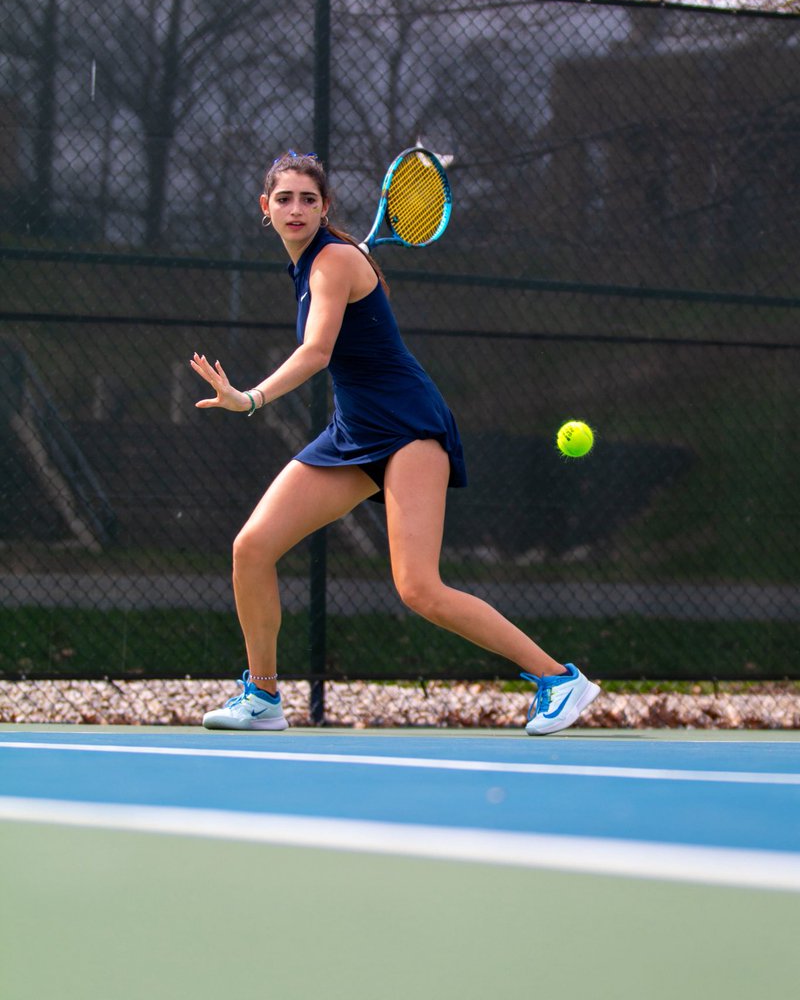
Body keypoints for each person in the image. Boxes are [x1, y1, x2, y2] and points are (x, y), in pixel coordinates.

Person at [190, 150, 600, 734]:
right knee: (251, 548)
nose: (297, 208)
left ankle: (560, 680)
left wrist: (249, 398)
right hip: (354, 432)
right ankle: (261, 697)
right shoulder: (315, 265)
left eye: (309, 198)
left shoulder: (331, 261)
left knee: (419, 589)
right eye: (284, 199)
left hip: (408, 428)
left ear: (325, 206)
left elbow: (318, 352)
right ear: (266, 208)